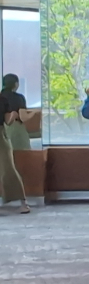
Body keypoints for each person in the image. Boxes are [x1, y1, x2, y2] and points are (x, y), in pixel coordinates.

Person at [0, 81, 30, 213]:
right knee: (8, 168)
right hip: (2, 134)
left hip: (2, 135)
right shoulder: (3, 100)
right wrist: (14, 115)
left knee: (8, 168)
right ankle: (23, 202)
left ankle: (22, 201)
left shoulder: (3, 99)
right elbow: (8, 121)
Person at [1, 74, 31, 151]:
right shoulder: (18, 98)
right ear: (16, 84)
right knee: (22, 154)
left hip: (2, 128)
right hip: (15, 129)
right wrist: (34, 113)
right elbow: (23, 117)